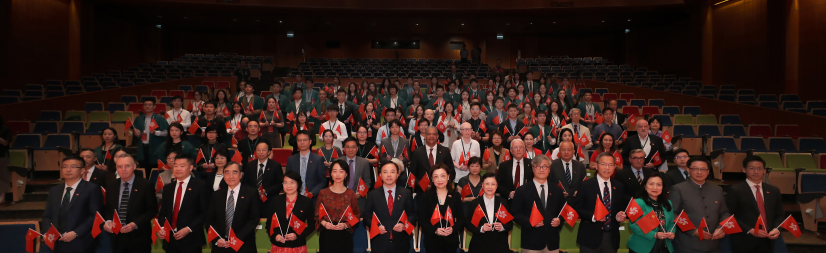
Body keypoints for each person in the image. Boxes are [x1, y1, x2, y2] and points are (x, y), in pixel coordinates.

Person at [41, 156, 102, 253]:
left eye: (73, 167)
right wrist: (48, 232)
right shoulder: (55, 190)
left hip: (81, 242)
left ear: (82, 170)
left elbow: (95, 216)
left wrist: (76, 233)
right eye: (65, 167)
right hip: (56, 243)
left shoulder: (91, 189)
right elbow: (47, 216)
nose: (68, 170)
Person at [669, 157, 730, 253]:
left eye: (703, 169)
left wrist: (721, 228)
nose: (699, 172)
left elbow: (724, 212)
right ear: (688, 170)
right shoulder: (678, 189)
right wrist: (692, 230)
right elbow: (673, 213)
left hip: (713, 243)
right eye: (695, 169)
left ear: (708, 171)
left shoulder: (717, 189)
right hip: (688, 243)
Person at [726, 156, 783, 253]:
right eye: (751, 168)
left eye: (759, 168)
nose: (756, 171)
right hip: (744, 240)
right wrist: (750, 230)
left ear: (764, 171)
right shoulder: (735, 190)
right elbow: (729, 216)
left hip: (768, 240)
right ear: (744, 170)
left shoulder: (773, 190)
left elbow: (780, 214)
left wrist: (776, 229)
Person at [103, 154, 159, 253]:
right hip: (117, 237)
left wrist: (135, 224)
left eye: (127, 166)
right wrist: (107, 221)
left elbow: (152, 210)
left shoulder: (145, 185)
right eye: (120, 166)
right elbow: (108, 208)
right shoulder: (111, 185)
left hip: (139, 236)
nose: (123, 169)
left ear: (134, 167)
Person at [574, 152, 628, 253]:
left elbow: (620, 207)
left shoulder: (619, 186)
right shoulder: (585, 185)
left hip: (611, 238)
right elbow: (578, 208)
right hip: (589, 237)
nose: (607, 168)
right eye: (603, 164)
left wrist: (618, 215)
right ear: (596, 166)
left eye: (610, 165)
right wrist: (593, 216)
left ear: (615, 167)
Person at [156, 155, 209, 253]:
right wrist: (162, 228)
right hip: (170, 240)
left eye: (182, 166)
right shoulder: (168, 188)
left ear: (191, 168)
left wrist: (188, 229)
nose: (178, 169)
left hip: (191, 239)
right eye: (175, 166)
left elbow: (205, 213)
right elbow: (163, 213)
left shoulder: (201, 186)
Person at [512, 155, 564, 253]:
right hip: (530, 242)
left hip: (552, 242)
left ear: (549, 169)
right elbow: (516, 214)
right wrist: (530, 222)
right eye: (538, 166)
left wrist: (559, 220)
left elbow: (563, 211)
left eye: (545, 166)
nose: (541, 169)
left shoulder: (557, 189)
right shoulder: (522, 190)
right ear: (533, 169)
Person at [363, 162, 417, 253]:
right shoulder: (373, 194)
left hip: (401, 243)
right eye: (385, 172)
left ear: (397, 174)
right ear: (380, 175)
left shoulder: (406, 193)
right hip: (380, 242)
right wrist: (376, 227)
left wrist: (404, 225)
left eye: (392, 172)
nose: (389, 175)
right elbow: (366, 217)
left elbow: (412, 215)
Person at [205, 161, 259, 253]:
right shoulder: (216, 195)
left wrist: (236, 239)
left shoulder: (251, 193)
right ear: (223, 175)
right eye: (227, 172)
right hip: (221, 245)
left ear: (241, 174)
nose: (231, 176)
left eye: (235, 172)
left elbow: (254, 219)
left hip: (243, 245)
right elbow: (210, 220)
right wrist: (217, 239)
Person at [417, 163, 465, 253]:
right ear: (432, 179)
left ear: (448, 176)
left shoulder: (455, 195)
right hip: (432, 240)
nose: (439, 180)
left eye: (442, 176)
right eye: (436, 176)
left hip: (451, 240)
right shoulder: (426, 195)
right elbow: (422, 220)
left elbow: (461, 219)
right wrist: (434, 230)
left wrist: (453, 229)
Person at [316, 159, 361, 253]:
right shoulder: (323, 193)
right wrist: (324, 224)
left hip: (345, 235)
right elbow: (317, 215)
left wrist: (345, 225)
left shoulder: (351, 194)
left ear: (346, 175)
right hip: (327, 235)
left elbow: (356, 215)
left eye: (341, 171)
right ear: (330, 174)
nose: (338, 174)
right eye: (335, 171)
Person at [267, 171, 316, 252]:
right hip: (278, 247)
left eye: (292, 182)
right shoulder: (275, 200)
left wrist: (297, 236)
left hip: (297, 246)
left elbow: (312, 225)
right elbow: (269, 223)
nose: (288, 186)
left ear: (298, 184)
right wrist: (275, 236)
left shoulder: (306, 202)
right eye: (285, 182)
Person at [627, 172, 676, 253]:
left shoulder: (668, 203)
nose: (655, 187)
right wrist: (654, 234)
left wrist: (671, 233)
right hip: (642, 247)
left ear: (663, 187)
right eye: (651, 184)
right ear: (645, 186)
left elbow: (671, 223)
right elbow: (634, 225)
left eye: (659, 184)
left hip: (664, 246)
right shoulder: (637, 203)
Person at [465, 172, 512, 253]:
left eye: (493, 184)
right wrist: (481, 228)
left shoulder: (503, 202)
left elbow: (509, 224)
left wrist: (502, 227)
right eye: (487, 184)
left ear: (497, 186)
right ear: (482, 185)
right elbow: (468, 224)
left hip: (500, 246)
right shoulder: (475, 203)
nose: (490, 187)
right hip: (479, 245)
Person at [243, 141, 283, 217]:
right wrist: (252, 192)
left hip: (269, 200)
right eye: (259, 150)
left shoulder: (275, 165)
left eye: (264, 150)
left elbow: (280, 184)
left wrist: (265, 191)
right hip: (252, 200)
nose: (261, 152)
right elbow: (245, 183)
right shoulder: (250, 165)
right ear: (256, 152)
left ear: (269, 152)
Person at [409, 126, 453, 193]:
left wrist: (442, 183)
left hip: (442, 190)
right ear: (425, 136)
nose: (431, 136)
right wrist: (422, 185)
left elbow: (451, 171)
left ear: (437, 136)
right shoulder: (417, 152)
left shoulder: (445, 151)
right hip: (423, 192)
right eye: (429, 134)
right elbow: (412, 174)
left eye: (434, 134)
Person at [287, 130, 326, 198]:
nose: (302, 142)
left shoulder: (318, 160)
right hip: (294, 197)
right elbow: (287, 179)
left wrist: (312, 193)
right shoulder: (291, 160)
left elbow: (323, 181)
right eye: (299, 140)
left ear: (310, 141)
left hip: (312, 197)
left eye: (305, 140)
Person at [337, 137, 373, 209]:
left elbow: (367, 181)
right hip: (340, 198)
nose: (350, 150)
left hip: (359, 200)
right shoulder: (338, 162)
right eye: (348, 147)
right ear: (344, 149)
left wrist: (360, 193)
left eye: (353, 147)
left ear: (357, 148)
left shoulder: (364, 162)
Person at [134, 100, 169, 168]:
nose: (147, 106)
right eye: (145, 104)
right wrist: (136, 133)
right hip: (142, 146)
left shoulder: (160, 118)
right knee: (143, 166)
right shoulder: (139, 118)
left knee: (154, 166)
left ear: (154, 106)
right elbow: (134, 131)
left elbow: (167, 132)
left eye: (149, 104)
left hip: (155, 146)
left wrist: (156, 132)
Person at [0, 115, 10, 205]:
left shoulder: (5, 129)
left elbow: (5, 143)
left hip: (2, 155)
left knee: (3, 177)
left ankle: (2, 197)